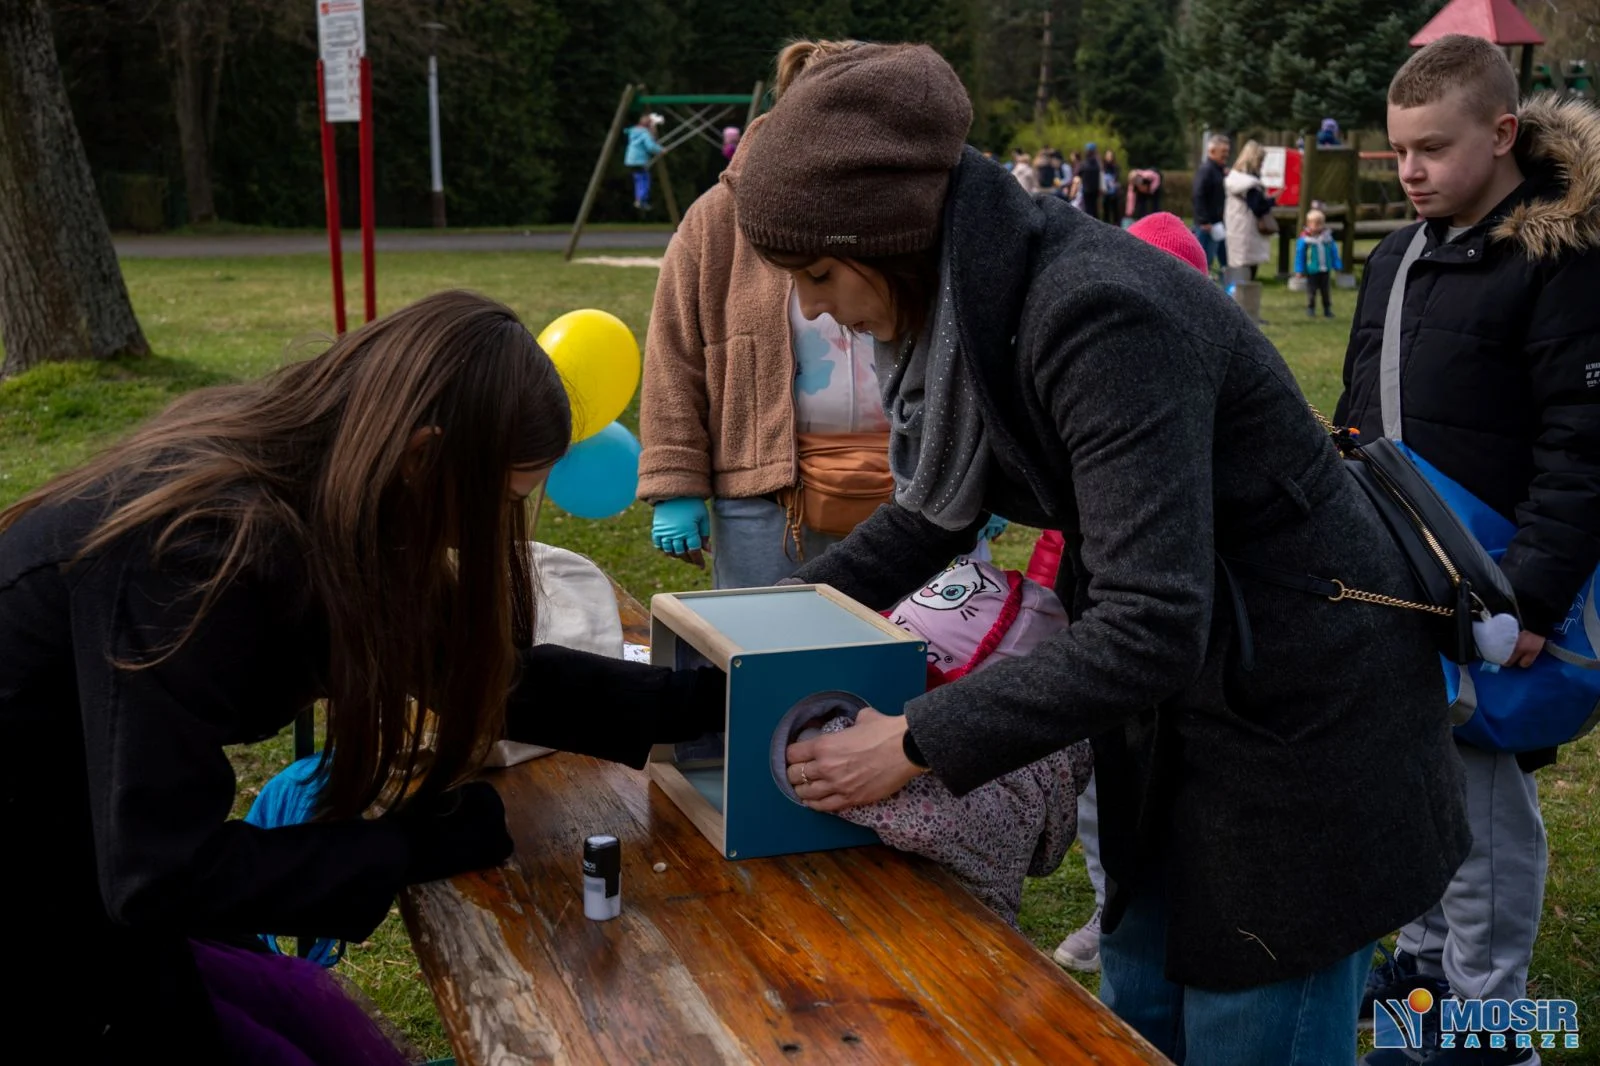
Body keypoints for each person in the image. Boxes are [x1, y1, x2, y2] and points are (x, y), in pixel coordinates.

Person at [735, 43, 1468, 1065]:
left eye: (817, 274)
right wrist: (745, 637)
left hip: (1297, 735)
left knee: (1246, 1030)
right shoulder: (984, 309)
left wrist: (908, 742)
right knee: (1136, 1025)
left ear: (888, 243)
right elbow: (932, 518)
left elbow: (1150, 623)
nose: (815, 308)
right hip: (1183, 730)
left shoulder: (1095, 313)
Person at [0, 291, 726, 1064]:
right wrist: (401, 849)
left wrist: (707, 703)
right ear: (423, 456)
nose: (481, 536)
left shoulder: (333, 494)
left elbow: (470, 668)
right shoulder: (196, 558)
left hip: (100, 864)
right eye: (496, 505)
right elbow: (161, 874)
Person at [1337, 35, 1600, 1066]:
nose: (1409, 171)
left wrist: (1527, 602)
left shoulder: (1560, 260)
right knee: (1413, 786)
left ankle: (1491, 1025)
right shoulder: (1396, 254)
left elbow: (1583, 452)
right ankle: (1426, 979)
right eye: (1397, 151)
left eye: (1432, 150)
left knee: (1483, 805)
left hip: (1496, 584)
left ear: (1500, 136)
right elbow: (1358, 412)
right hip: (1392, 580)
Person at [638, 38, 894, 591]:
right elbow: (673, 355)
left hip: (906, 491)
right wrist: (676, 482)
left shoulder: (907, 211)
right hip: (764, 500)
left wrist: (975, 477)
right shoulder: (716, 220)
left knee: (914, 659)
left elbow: (964, 348)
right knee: (766, 654)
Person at [1049, 208, 1208, 975]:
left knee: (1179, 793)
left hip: (1176, 657)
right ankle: (1109, 905)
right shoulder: (1084, 402)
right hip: (1092, 631)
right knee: (1097, 783)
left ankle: (1163, 909)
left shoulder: (1186, 405)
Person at [1223, 139, 1277, 280]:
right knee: (1248, 265)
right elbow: (1258, 207)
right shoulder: (1250, 184)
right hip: (1247, 227)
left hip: (1235, 224)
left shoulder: (1234, 178)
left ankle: (1233, 291)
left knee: (1236, 262)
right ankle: (1245, 296)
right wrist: (1272, 201)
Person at [1192, 134, 1230, 276]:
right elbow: (1198, 194)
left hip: (1217, 223)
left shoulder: (1218, 171)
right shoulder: (1206, 170)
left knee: (1220, 257)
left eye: (1227, 151)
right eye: (1223, 152)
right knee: (1204, 260)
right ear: (1212, 151)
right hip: (1207, 225)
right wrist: (1203, 220)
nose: (1226, 155)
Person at [1294, 208, 1342, 317]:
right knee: (1312, 291)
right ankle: (1311, 308)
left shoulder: (1327, 239)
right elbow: (1300, 256)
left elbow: (1334, 252)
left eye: (1320, 224)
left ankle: (1327, 308)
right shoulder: (1305, 241)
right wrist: (1299, 270)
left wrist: (1337, 265)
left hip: (1325, 269)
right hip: (1312, 270)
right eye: (1315, 224)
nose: (1318, 226)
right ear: (1309, 224)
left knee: (1326, 291)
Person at [624, 112, 665, 212]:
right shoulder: (644, 133)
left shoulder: (634, 131)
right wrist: (661, 150)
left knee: (638, 179)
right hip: (639, 160)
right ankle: (641, 200)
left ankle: (639, 199)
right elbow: (650, 146)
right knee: (645, 179)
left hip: (630, 160)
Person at [1078, 142, 1103, 219]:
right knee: (1095, 209)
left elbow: (1078, 173)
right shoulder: (1098, 164)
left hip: (1086, 189)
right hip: (1095, 189)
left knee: (1087, 209)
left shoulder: (1084, 163)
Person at [1100, 148, 1122, 226]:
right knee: (1106, 214)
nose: (1109, 157)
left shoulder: (1116, 167)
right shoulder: (1102, 167)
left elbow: (1117, 179)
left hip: (1114, 193)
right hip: (1105, 193)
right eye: (1108, 156)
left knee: (1116, 213)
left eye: (1110, 156)